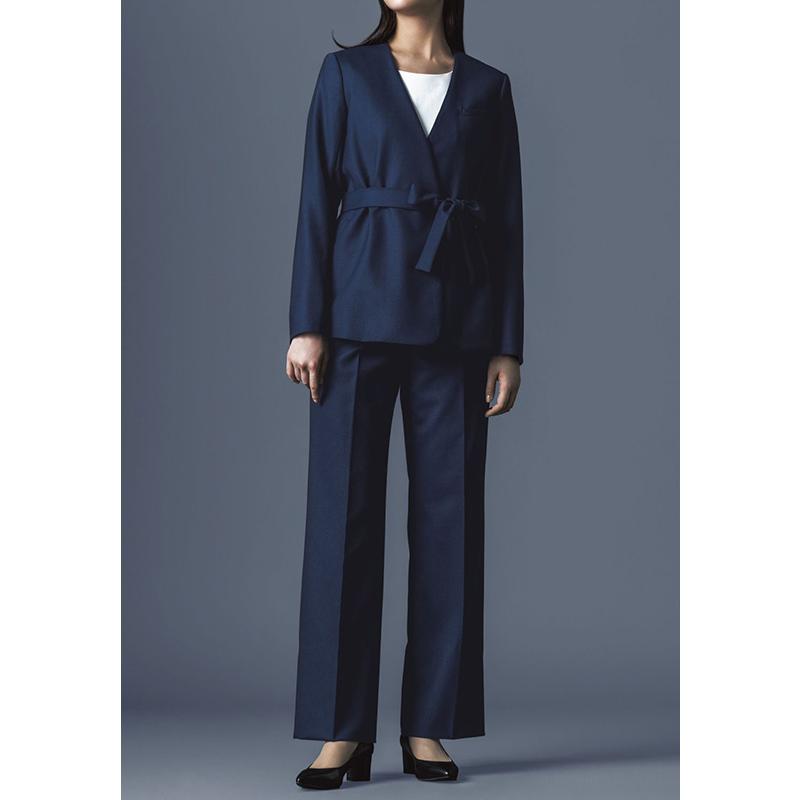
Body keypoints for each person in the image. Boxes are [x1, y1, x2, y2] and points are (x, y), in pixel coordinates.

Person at [286, 0, 523, 788]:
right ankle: (340, 730)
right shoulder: (345, 75)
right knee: (342, 524)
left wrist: (507, 342)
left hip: (458, 324)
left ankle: (429, 726)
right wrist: (307, 323)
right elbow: (316, 198)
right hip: (354, 317)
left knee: (450, 529)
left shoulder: (488, 88)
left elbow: (507, 221)